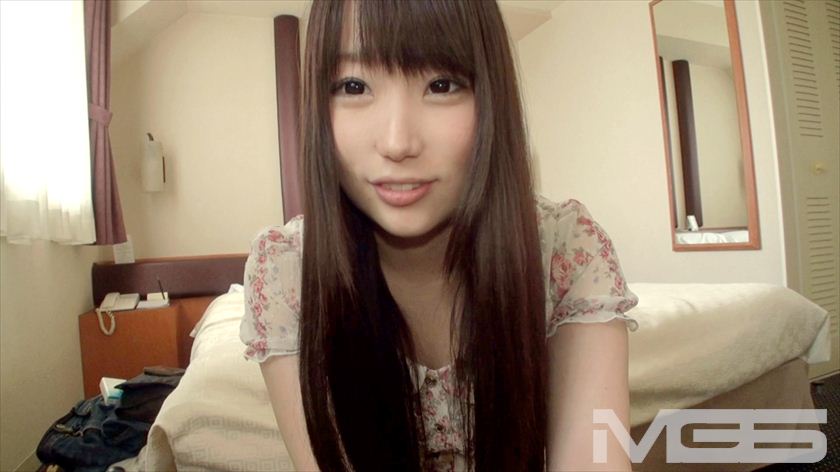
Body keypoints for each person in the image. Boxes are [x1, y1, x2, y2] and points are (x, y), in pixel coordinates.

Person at [240, 0, 639, 470]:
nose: (397, 142)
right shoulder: (286, 273)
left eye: (441, 84)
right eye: (354, 86)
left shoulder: (567, 250)